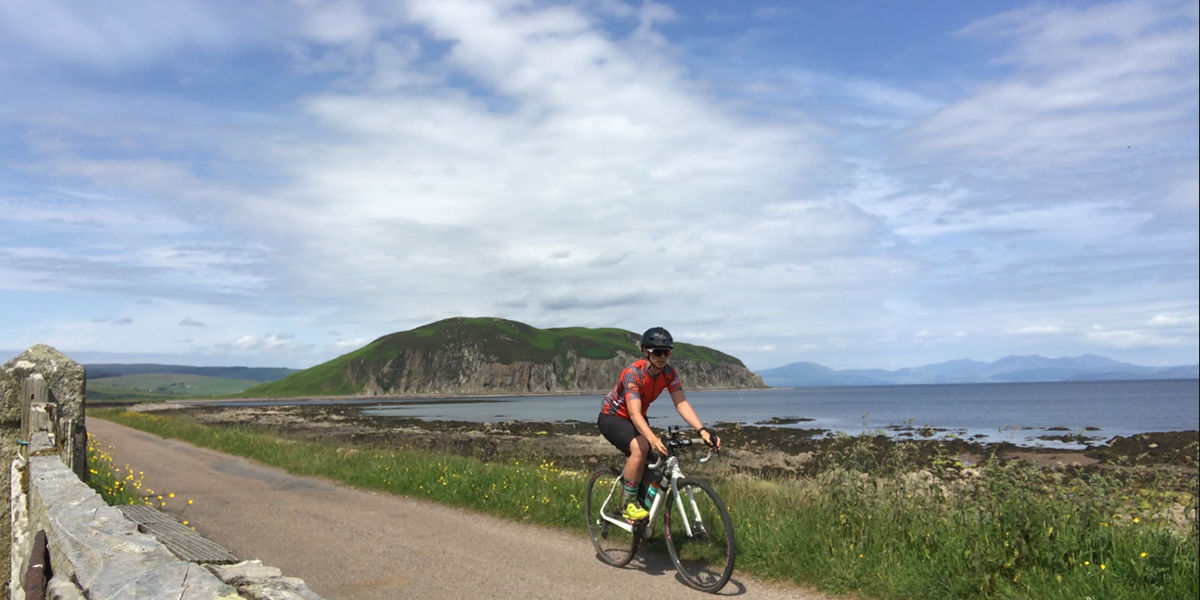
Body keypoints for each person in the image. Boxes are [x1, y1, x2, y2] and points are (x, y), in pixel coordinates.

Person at [597, 326, 721, 521]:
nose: (663, 356)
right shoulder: (633, 373)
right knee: (642, 447)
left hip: (636, 416)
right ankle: (629, 504)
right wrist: (652, 438)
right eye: (658, 352)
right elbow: (635, 414)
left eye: (667, 352)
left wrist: (702, 430)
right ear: (646, 352)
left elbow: (681, 403)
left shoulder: (669, 374)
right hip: (613, 416)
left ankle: (643, 505)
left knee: (663, 456)